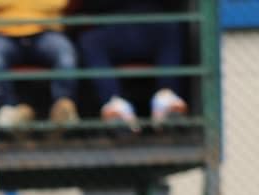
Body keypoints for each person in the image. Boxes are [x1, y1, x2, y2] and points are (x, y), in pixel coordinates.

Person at [78, 0, 189, 129]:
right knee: (89, 41)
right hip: (112, 25)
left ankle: (166, 99)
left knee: (172, 27)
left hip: (153, 21)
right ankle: (115, 106)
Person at [0, 0, 77, 127]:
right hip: (1, 33)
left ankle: (64, 105)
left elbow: (57, 3)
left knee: (65, 52)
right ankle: (8, 110)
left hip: (44, 31)